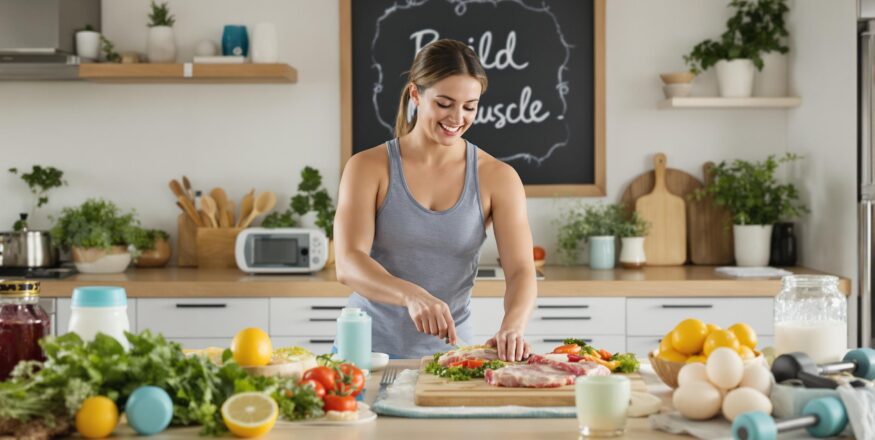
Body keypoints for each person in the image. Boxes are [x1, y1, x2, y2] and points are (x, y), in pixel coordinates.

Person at [334, 39, 537, 361]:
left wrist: (513, 326)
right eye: (444, 103)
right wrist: (412, 295)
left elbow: (521, 271)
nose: (457, 117)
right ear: (416, 94)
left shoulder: (497, 177)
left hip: (452, 356)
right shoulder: (368, 167)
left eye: (470, 106)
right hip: (365, 351)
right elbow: (348, 263)